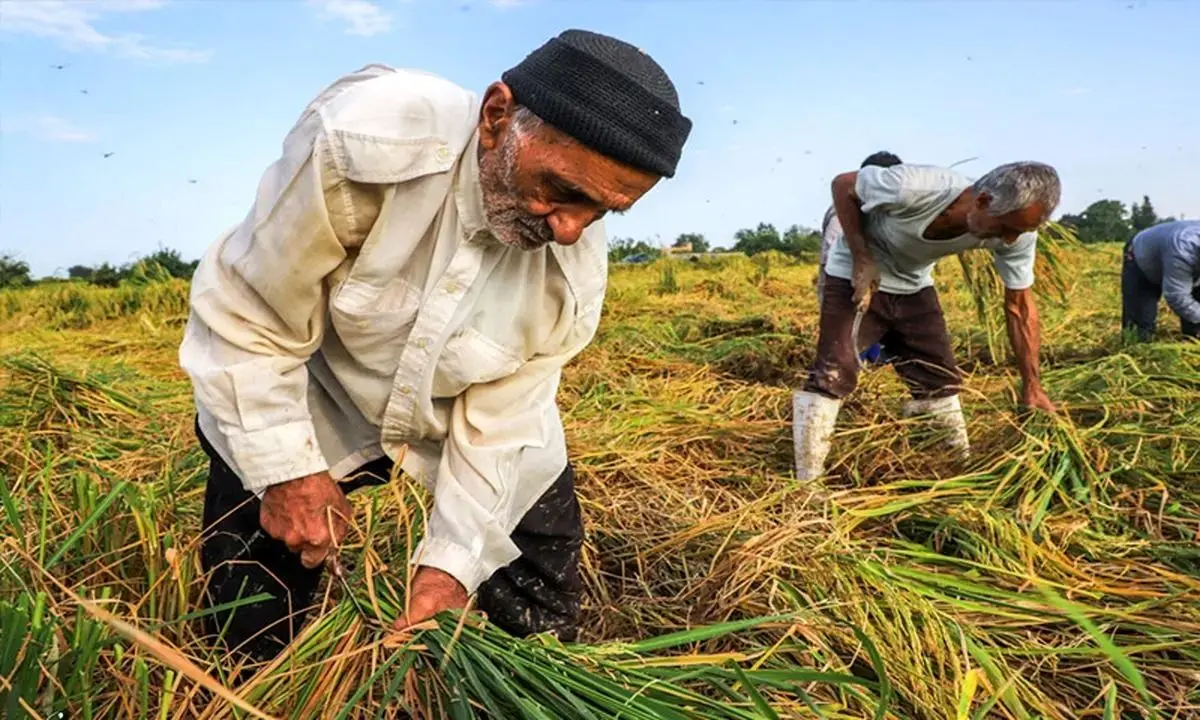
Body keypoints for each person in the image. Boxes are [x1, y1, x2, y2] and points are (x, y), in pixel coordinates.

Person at [178, 29, 691, 661]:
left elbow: (505, 422)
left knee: (537, 602)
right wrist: (287, 473)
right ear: (496, 117)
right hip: (318, 386)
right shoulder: (365, 142)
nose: (569, 228)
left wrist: (449, 567)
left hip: (459, 405)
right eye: (565, 190)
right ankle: (243, 682)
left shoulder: (571, 277)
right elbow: (249, 313)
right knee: (250, 598)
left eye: (604, 212)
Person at [793, 161, 1061, 481]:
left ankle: (953, 467)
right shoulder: (916, 187)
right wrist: (862, 257)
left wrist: (1032, 386)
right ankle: (808, 484)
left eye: (1020, 232)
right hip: (857, 274)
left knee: (940, 378)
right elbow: (843, 185)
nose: (1009, 241)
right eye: (1006, 228)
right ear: (984, 201)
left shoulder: (1018, 234)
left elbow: (1020, 307)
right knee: (834, 372)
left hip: (914, 283)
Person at [818, 151, 903, 365]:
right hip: (847, 281)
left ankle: (873, 362)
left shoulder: (884, 210)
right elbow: (832, 254)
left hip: (873, 279)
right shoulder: (844, 211)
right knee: (848, 336)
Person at [1121, 220, 1200, 341]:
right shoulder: (1183, 249)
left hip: (1183, 260)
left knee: (1195, 323)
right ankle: (1139, 351)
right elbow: (1177, 296)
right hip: (1142, 261)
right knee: (1140, 325)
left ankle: (1191, 342)